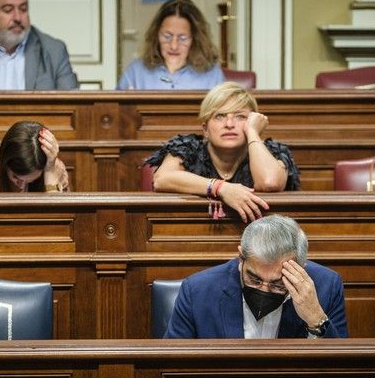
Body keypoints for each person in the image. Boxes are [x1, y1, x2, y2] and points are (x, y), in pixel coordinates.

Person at [164, 214, 348, 339]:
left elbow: (342, 372)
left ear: (301, 268)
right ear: (241, 258)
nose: (264, 290)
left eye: (278, 284)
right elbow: (170, 366)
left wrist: (316, 320)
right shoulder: (198, 291)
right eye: (255, 279)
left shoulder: (326, 286)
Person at [145, 82, 300, 223]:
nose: (229, 124)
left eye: (240, 116)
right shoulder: (188, 148)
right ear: (205, 129)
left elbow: (269, 182)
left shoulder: (272, 151)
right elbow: (161, 179)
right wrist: (221, 188)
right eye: (220, 116)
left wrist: (253, 132)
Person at [117, 0, 225, 90]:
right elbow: (115, 110)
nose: (174, 46)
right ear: (156, 35)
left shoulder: (212, 74)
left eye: (183, 38)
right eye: (167, 36)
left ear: (195, 39)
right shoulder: (136, 71)